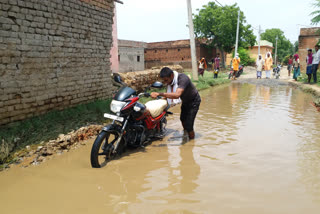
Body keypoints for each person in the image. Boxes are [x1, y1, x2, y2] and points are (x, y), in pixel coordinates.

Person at [151, 67, 201, 139]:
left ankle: (191, 142)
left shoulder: (183, 78)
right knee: (182, 119)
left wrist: (159, 94)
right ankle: (185, 133)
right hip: (185, 100)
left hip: (194, 101)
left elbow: (177, 95)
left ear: (171, 75)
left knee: (189, 124)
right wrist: (164, 98)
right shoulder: (171, 81)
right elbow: (170, 93)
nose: (166, 83)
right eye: (164, 81)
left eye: (166, 80)